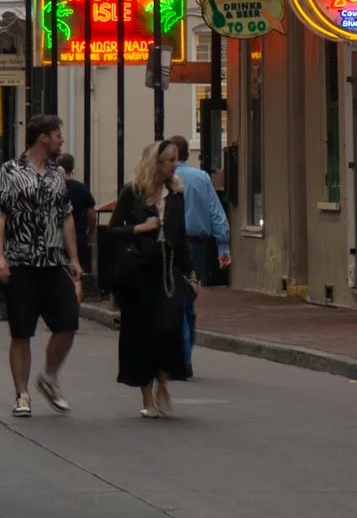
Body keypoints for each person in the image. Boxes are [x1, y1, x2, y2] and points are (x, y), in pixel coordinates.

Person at [0, 115, 82, 419]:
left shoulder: (57, 175)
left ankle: (49, 377)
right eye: (57, 135)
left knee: (68, 322)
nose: (61, 140)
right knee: (21, 331)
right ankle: (22, 394)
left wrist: (74, 258)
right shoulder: (10, 171)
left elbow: (66, 216)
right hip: (21, 261)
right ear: (43, 137)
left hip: (53, 262)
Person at [106, 140, 195, 418]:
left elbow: (181, 235)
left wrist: (191, 271)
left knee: (169, 328)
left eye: (176, 160)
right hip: (139, 271)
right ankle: (147, 397)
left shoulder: (175, 194)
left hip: (168, 270)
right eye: (170, 160)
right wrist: (139, 228)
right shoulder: (132, 192)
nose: (175, 165)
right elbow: (113, 230)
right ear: (155, 164)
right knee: (140, 333)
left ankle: (163, 382)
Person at [166, 135, 231, 370]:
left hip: (170, 246)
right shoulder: (201, 178)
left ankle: (179, 356)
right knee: (187, 302)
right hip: (195, 245)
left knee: (173, 302)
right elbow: (216, 211)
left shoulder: (166, 179)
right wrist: (223, 245)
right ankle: (184, 356)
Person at [56, 152, 96, 288]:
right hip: (79, 237)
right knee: (77, 274)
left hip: (57, 238)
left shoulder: (54, 188)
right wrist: (89, 233)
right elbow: (91, 215)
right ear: (72, 168)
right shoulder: (82, 188)